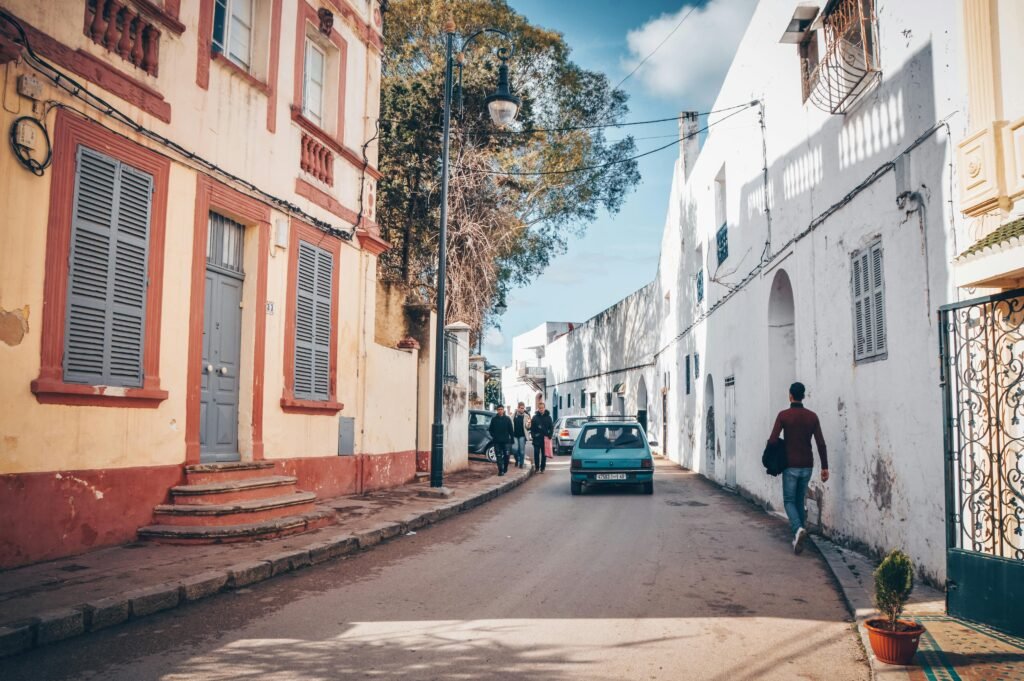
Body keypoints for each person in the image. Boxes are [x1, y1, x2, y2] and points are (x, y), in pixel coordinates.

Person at [767, 381, 829, 555]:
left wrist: (778, 451)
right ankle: (799, 539)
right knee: (799, 500)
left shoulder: (784, 415)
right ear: (804, 396)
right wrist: (825, 467)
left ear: (790, 395)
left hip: (790, 465)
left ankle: (797, 529)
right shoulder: (812, 417)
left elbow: (772, 440)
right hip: (807, 465)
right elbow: (821, 443)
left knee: (788, 501)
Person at [488, 405, 515, 476]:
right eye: (499, 409)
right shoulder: (494, 419)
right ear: (497, 410)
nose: (500, 410)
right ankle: (500, 470)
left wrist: (512, 439)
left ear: (503, 410)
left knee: (507, 455)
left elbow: (511, 430)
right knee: (498, 456)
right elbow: (490, 430)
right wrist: (494, 436)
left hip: (506, 441)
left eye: (501, 409)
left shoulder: (507, 419)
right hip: (497, 441)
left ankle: (505, 467)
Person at [529, 401, 554, 473]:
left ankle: (542, 468)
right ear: (538, 409)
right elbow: (532, 428)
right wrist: (533, 435)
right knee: (536, 453)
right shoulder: (535, 417)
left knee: (544, 455)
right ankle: (537, 468)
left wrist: (550, 435)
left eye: (542, 408)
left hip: (545, 439)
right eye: (540, 408)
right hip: (537, 439)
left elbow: (551, 427)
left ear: (544, 408)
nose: (541, 409)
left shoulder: (548, 417)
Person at [512, 402, 530, 469]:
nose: (522, 409)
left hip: (522, 435)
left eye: (523, 408)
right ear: (518, 408)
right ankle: (517, 460)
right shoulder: (513, 416)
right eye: (521, 408)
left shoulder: (526, 416)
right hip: (515, 435)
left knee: (522, 451)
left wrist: (528, 424)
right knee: (515, 449)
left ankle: (521, 463)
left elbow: (528, 427)